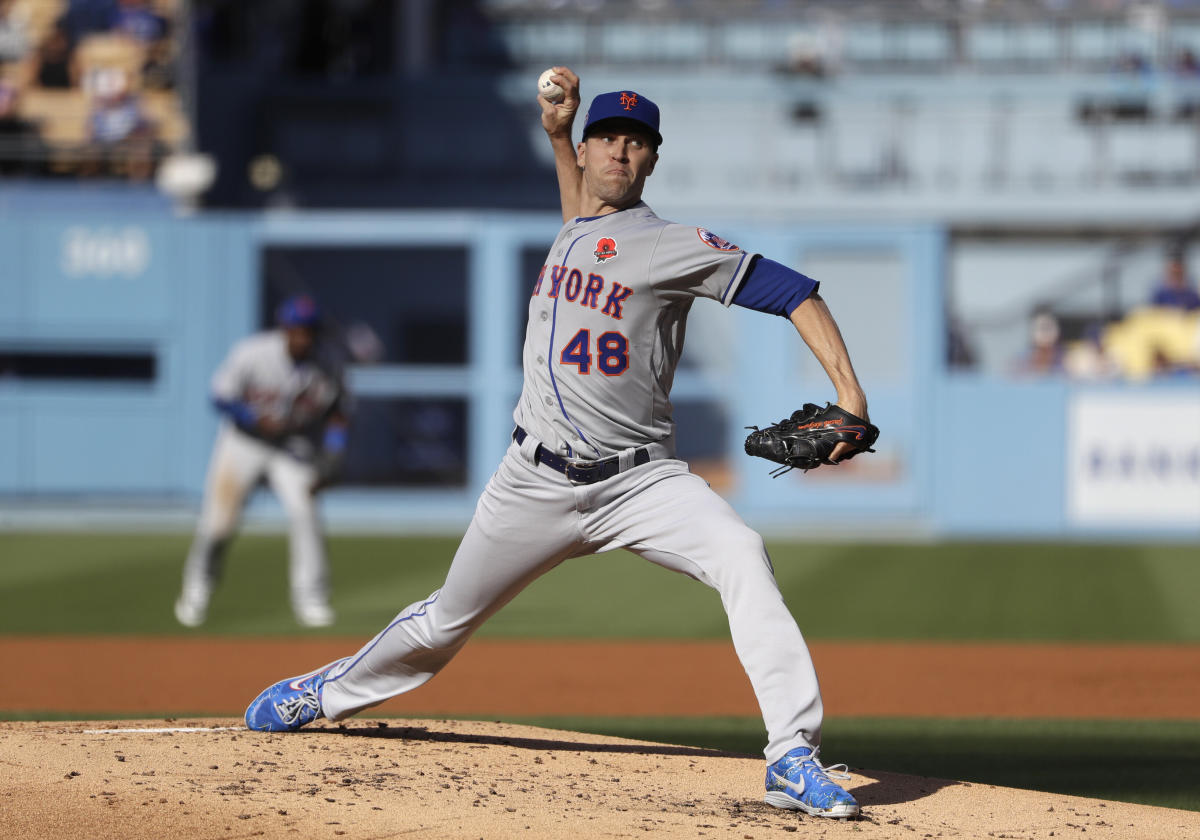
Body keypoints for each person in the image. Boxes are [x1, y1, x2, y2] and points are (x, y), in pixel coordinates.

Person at [243, 68, 872, 821]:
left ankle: (791, 755)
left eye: (636, 144)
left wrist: (850, 396)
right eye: (608, 137)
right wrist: (555, 132)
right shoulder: (575, 219)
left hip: (641, 484)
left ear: (652, 161)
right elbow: (578, 193)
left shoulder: (673, 246)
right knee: (444, 623)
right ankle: (325, 691)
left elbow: (795, 290)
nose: (619, 153)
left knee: (742, 555)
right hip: (532, 481)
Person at [175, 294, 350, 629]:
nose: (304, 337)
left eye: (310, 330)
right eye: (298, 329)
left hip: (291, 446)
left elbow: (339, 413)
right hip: (243, 442)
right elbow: (220, 396)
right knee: (218, 523)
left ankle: (311, 599)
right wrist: (253, 418)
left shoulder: (328, 363)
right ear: (284, 328)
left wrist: (333, 454)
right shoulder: (252, 353)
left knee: (305, 513)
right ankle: (197, 589)